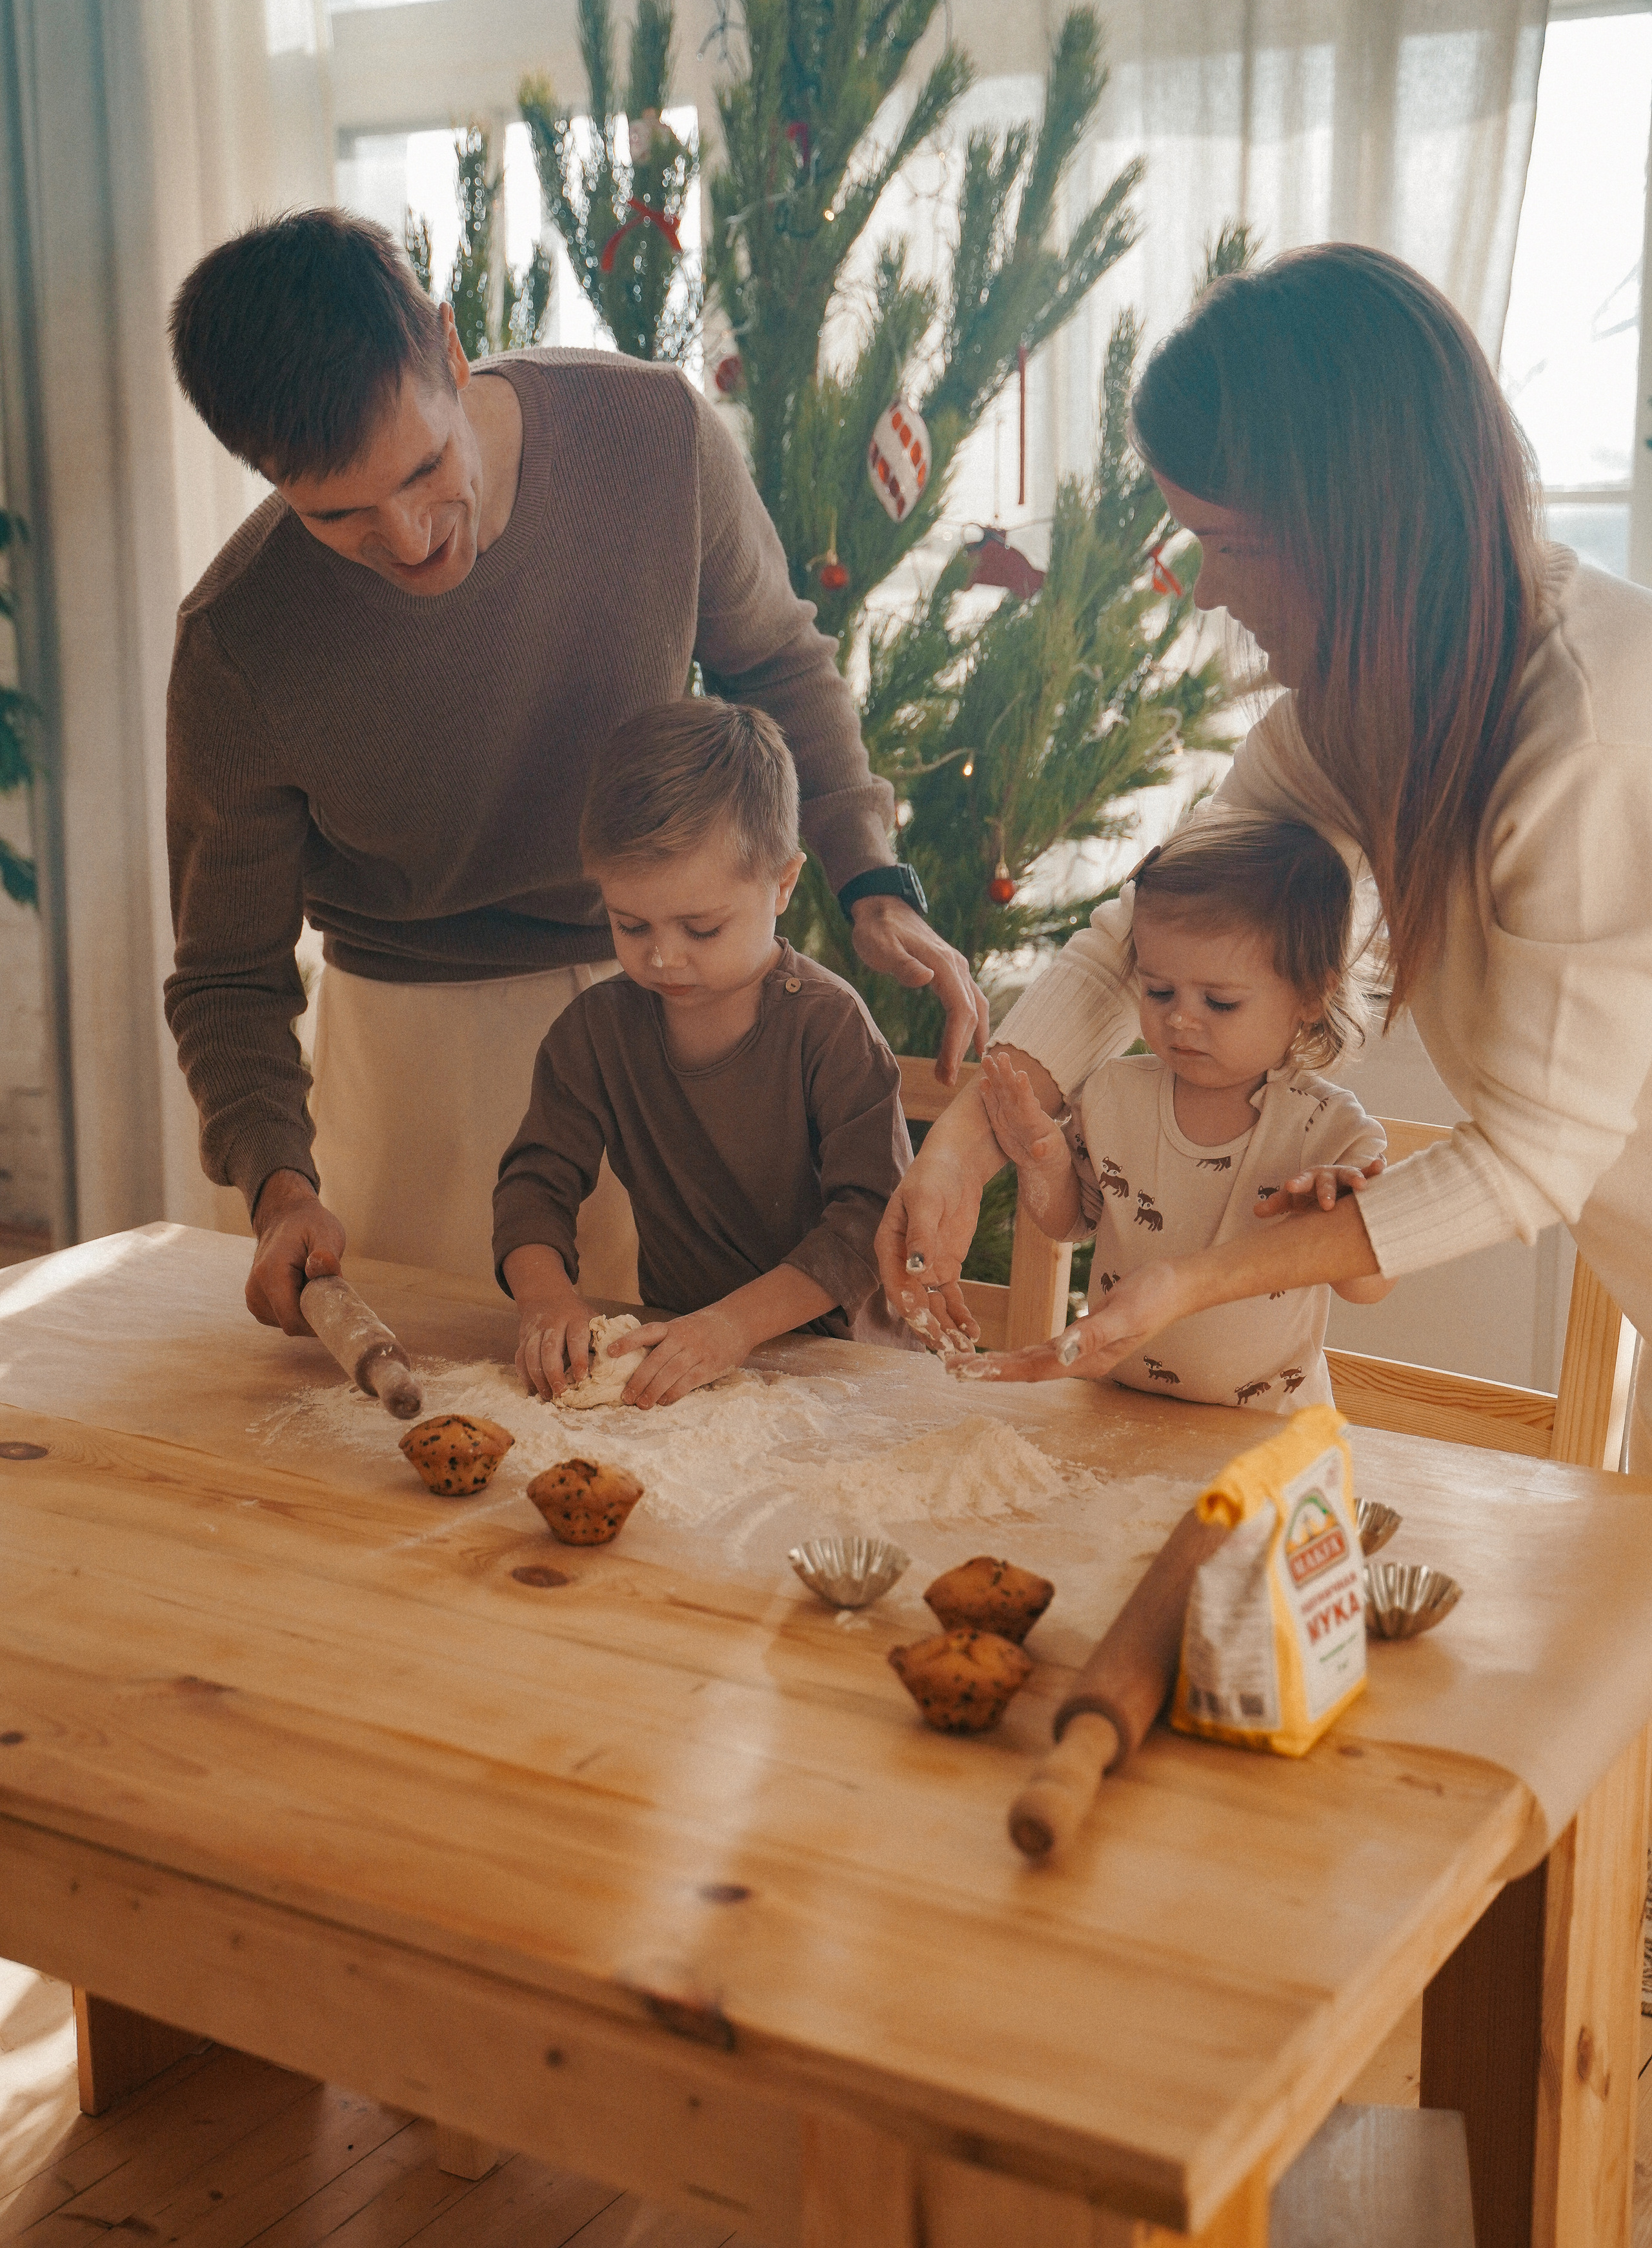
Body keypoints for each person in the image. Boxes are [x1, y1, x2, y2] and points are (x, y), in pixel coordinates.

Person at [876, 241, 1652, 1465]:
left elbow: (1532, 1160)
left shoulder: (1589, 740)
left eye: (1226, 546)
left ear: (1357, 536)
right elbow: (1153, 928)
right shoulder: (1360, 714)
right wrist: (972, 1133)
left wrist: (1194, 1282)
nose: (1201, 594)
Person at [163, 210, 987, 1335]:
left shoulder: (651, 432)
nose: (409, 539)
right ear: (265, 474)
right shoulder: (238, 638)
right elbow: (225, 975)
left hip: (662, 992)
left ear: (452, 351)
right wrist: (278, 1185)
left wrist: (872, 881)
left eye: (424, 469)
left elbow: (780, 664)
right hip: (413, 1064)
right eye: (341, 516)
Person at [495, 698, 918, 1407]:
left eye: (701, 927)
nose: (662, 957)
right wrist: (544, 1301)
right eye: (630, 925)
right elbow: (534, 1186)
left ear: (782, 884)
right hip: (684, 1367)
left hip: (846, 1376)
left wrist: (732, 1326)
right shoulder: (595, 1034)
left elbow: (868, 1219)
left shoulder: (829, 1028)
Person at [976, 815, 1391, 1412]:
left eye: (1219, 1002)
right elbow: (1071, 1221)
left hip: (1265, 1435)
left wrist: (1344, 1211)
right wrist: (1042, 1158)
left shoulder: (1331, 1131)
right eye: (1158, 991)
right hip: (1116, 1407)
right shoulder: (1113, 1094)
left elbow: (1370, 1286)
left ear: (1310, 994)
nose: (1180, 1020)